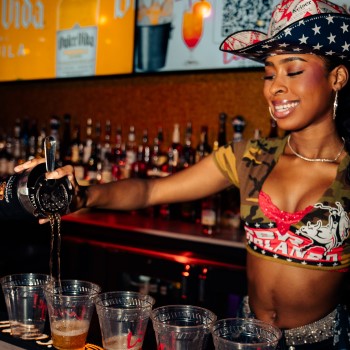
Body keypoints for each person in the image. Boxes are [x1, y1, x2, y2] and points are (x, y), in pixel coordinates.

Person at [14, 0, 350, 348]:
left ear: (337, 77)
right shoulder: (250, 158)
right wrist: (84, 195)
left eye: (292, 71)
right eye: (268, 73)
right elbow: (150, 192)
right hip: (246, 339)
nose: (274, 87)